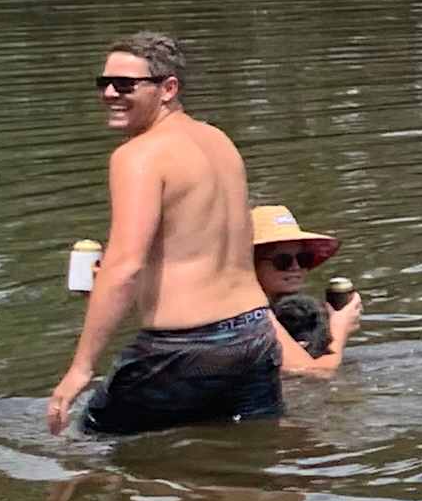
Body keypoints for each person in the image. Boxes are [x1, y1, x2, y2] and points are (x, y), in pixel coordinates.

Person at [45, 32, 279, 437]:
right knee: (246, 455)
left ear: (168, 88)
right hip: (254, 334)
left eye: (126, 85)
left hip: (183, 347)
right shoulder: (219, 141)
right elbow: (201, 251)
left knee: (88, 452)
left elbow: (125, 266)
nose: (110, 94)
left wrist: (80, 368)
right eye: (104, 83)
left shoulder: (138, 156)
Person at [250, 204, 363, 379]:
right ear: (251, 263)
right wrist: (339, 330)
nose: (295, 268)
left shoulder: (291, 313)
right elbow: (315, 372)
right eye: (282, 261)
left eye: (303, 259)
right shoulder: (250, 313)